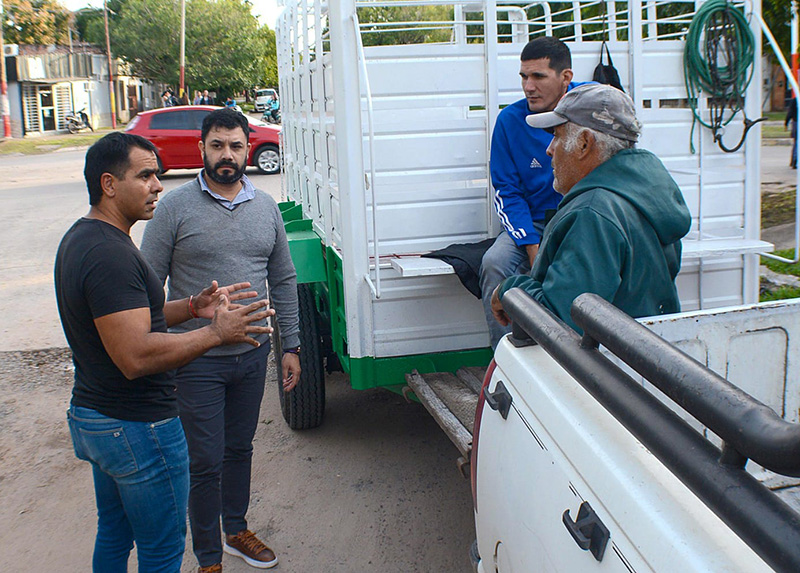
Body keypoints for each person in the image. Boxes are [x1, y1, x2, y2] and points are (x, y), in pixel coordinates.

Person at [55, 132, 273, 572]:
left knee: (115, 533)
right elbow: (136, 355)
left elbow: (136, 316)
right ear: (109, 184)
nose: (159, 184)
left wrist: (193, 307)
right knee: (162, 549)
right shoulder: (109, 255)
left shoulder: (85, 238)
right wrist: (216, 332)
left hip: (98, 416)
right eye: (146, 175)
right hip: (137, 427)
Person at [140, 108, 302, 573]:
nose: (226, 155)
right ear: (202, 149)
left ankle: (236, 529)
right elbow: (149, 286)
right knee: (205, 459)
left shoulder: (266, 206)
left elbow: (284, 279)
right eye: (217, 145)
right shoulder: (174, 207)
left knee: (240, 448)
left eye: (235, 145)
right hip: (196, 358)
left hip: (252, 355)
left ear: (248, 147)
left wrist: (290, 346)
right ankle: (208, 558)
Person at [491, 83, 691, 334]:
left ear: (584, 143)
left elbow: (561, 323)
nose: (549, 149)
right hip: (648, 355)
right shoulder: (645, 193)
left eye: (557, 136)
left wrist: (509, 291)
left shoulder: (592, 213)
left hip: (605, 363)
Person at [480, 37, 585, 349]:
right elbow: (506, 191)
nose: (528, 86)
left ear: (565, 77)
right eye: (524, 76)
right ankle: (508, 364)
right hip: (535, 223)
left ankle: (586, 360)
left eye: (538, 76)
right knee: (493, 262)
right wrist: (531, 246)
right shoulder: (510, 121)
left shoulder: (590, 107)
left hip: (582, 217)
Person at [786, 95, 797, 169]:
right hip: (796, 122)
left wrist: (786, 122)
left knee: (796, 142)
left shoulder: (795, 100)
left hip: (796, 122)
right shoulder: (795, 100)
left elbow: (790, 112)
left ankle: (794, 160)